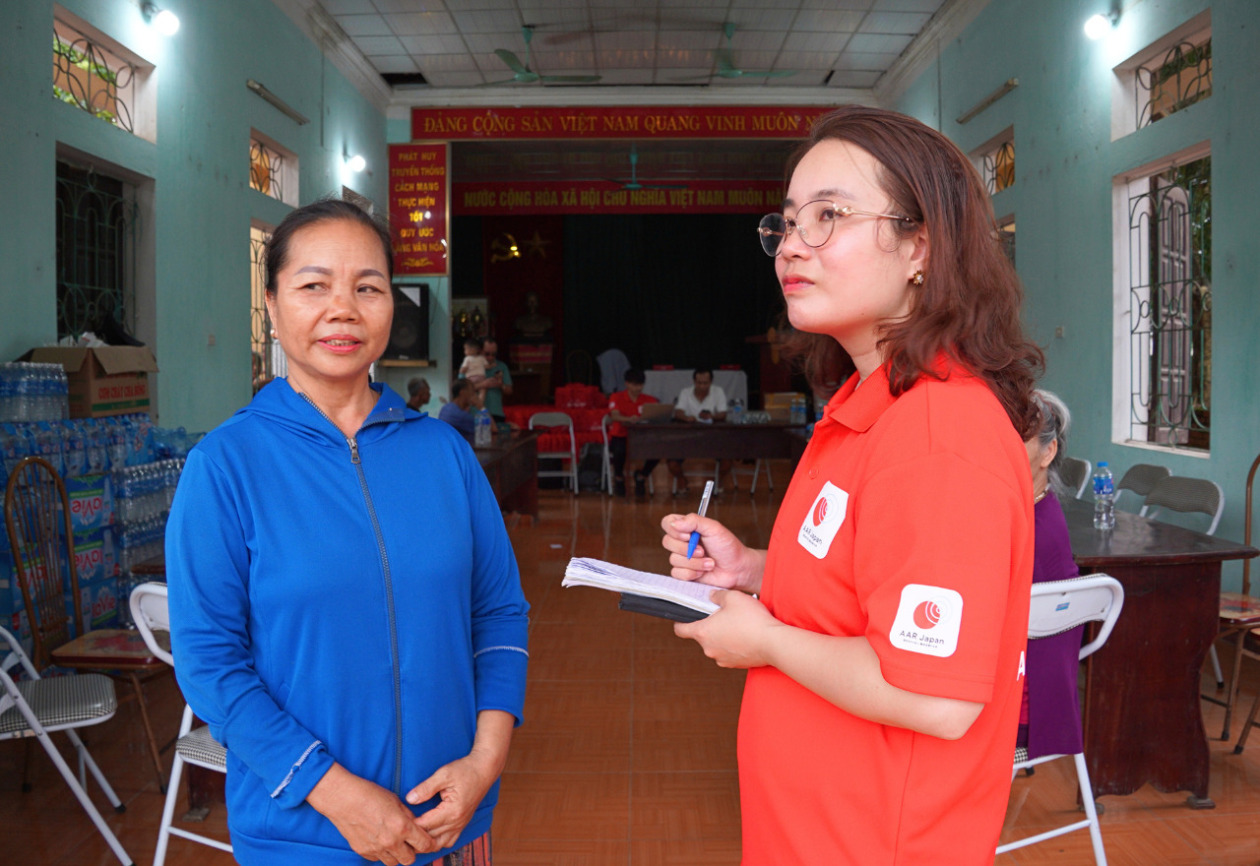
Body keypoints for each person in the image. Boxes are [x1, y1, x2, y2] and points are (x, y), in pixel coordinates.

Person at [658, 105, 1043, 864]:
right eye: (789, 223)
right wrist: (758, 572)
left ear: (920, 247)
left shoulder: (939, 434)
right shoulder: (868, 408)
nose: (792, 247)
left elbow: (935, 694)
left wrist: (763, 638)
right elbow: (869, 591)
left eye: (829, 216)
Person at [166, 199, 528, 866]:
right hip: (305, 835)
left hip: (453, 820)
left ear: (393, 306)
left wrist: (485, 762)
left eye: (368, 287)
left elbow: (498, 612)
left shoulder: (443, 454)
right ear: (272, 307)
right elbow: (211, 664)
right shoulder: (226, 467)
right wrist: (335, 795)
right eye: (313, 286)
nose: (344, 308)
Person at [1020, 389, 1085, 761]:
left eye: (1020, 437)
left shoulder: (1035, 532)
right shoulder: (1036, 510)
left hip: (1021, 711)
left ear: (1049, 452)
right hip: (1033, 695)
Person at [667, 368, 728, 495]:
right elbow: (678, 412)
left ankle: (719, 480)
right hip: (688, 437)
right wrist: (687, 418)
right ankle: (682, 480)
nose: (702, 386)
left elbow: (723, 414)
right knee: (672, 461)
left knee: (728, 456)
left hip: (713, 436)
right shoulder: (685, 392)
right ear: (694, 381)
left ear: (711, 382)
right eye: (699, 383)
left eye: (705, 383)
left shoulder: (718, 392)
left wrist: (712, 416)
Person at [606, 368, 661, 498]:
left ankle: (642, 476)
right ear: (627, 383)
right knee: (619, 451)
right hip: (620, 435)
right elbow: (614, 416)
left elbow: (656, 416)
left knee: (658, 451)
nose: (638, 388)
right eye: (635, 384)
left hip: (642, 438)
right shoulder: (616, 397)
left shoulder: (650, 399)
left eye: (640, 385)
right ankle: (619, 477)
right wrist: (629, 419)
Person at [474, 339, 513, 423]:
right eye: (487, 354)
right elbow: (461, 389)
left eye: (494, 354)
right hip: (475, 414)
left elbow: (509, 390)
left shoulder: (501, 366)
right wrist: (483, 385)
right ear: (479, 351)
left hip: (496, 413)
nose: (490, 357)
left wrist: (500, 385)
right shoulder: (470, 365)